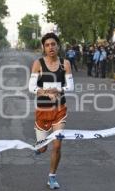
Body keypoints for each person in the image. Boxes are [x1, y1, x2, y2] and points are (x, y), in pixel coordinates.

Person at [28, 33, 74, 189]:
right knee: (43, 148)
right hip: (42, 111)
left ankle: (52, 177)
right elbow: (31, 87)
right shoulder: (38, 64)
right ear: (44, 48)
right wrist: (47, 92)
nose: (50, 47)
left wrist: (58, 88)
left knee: (57, 145)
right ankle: (39, 145)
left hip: (60, 110)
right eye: (47, 45)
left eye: (53, 44)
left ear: (58, 46)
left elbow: (71, 87)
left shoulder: (65, 64)